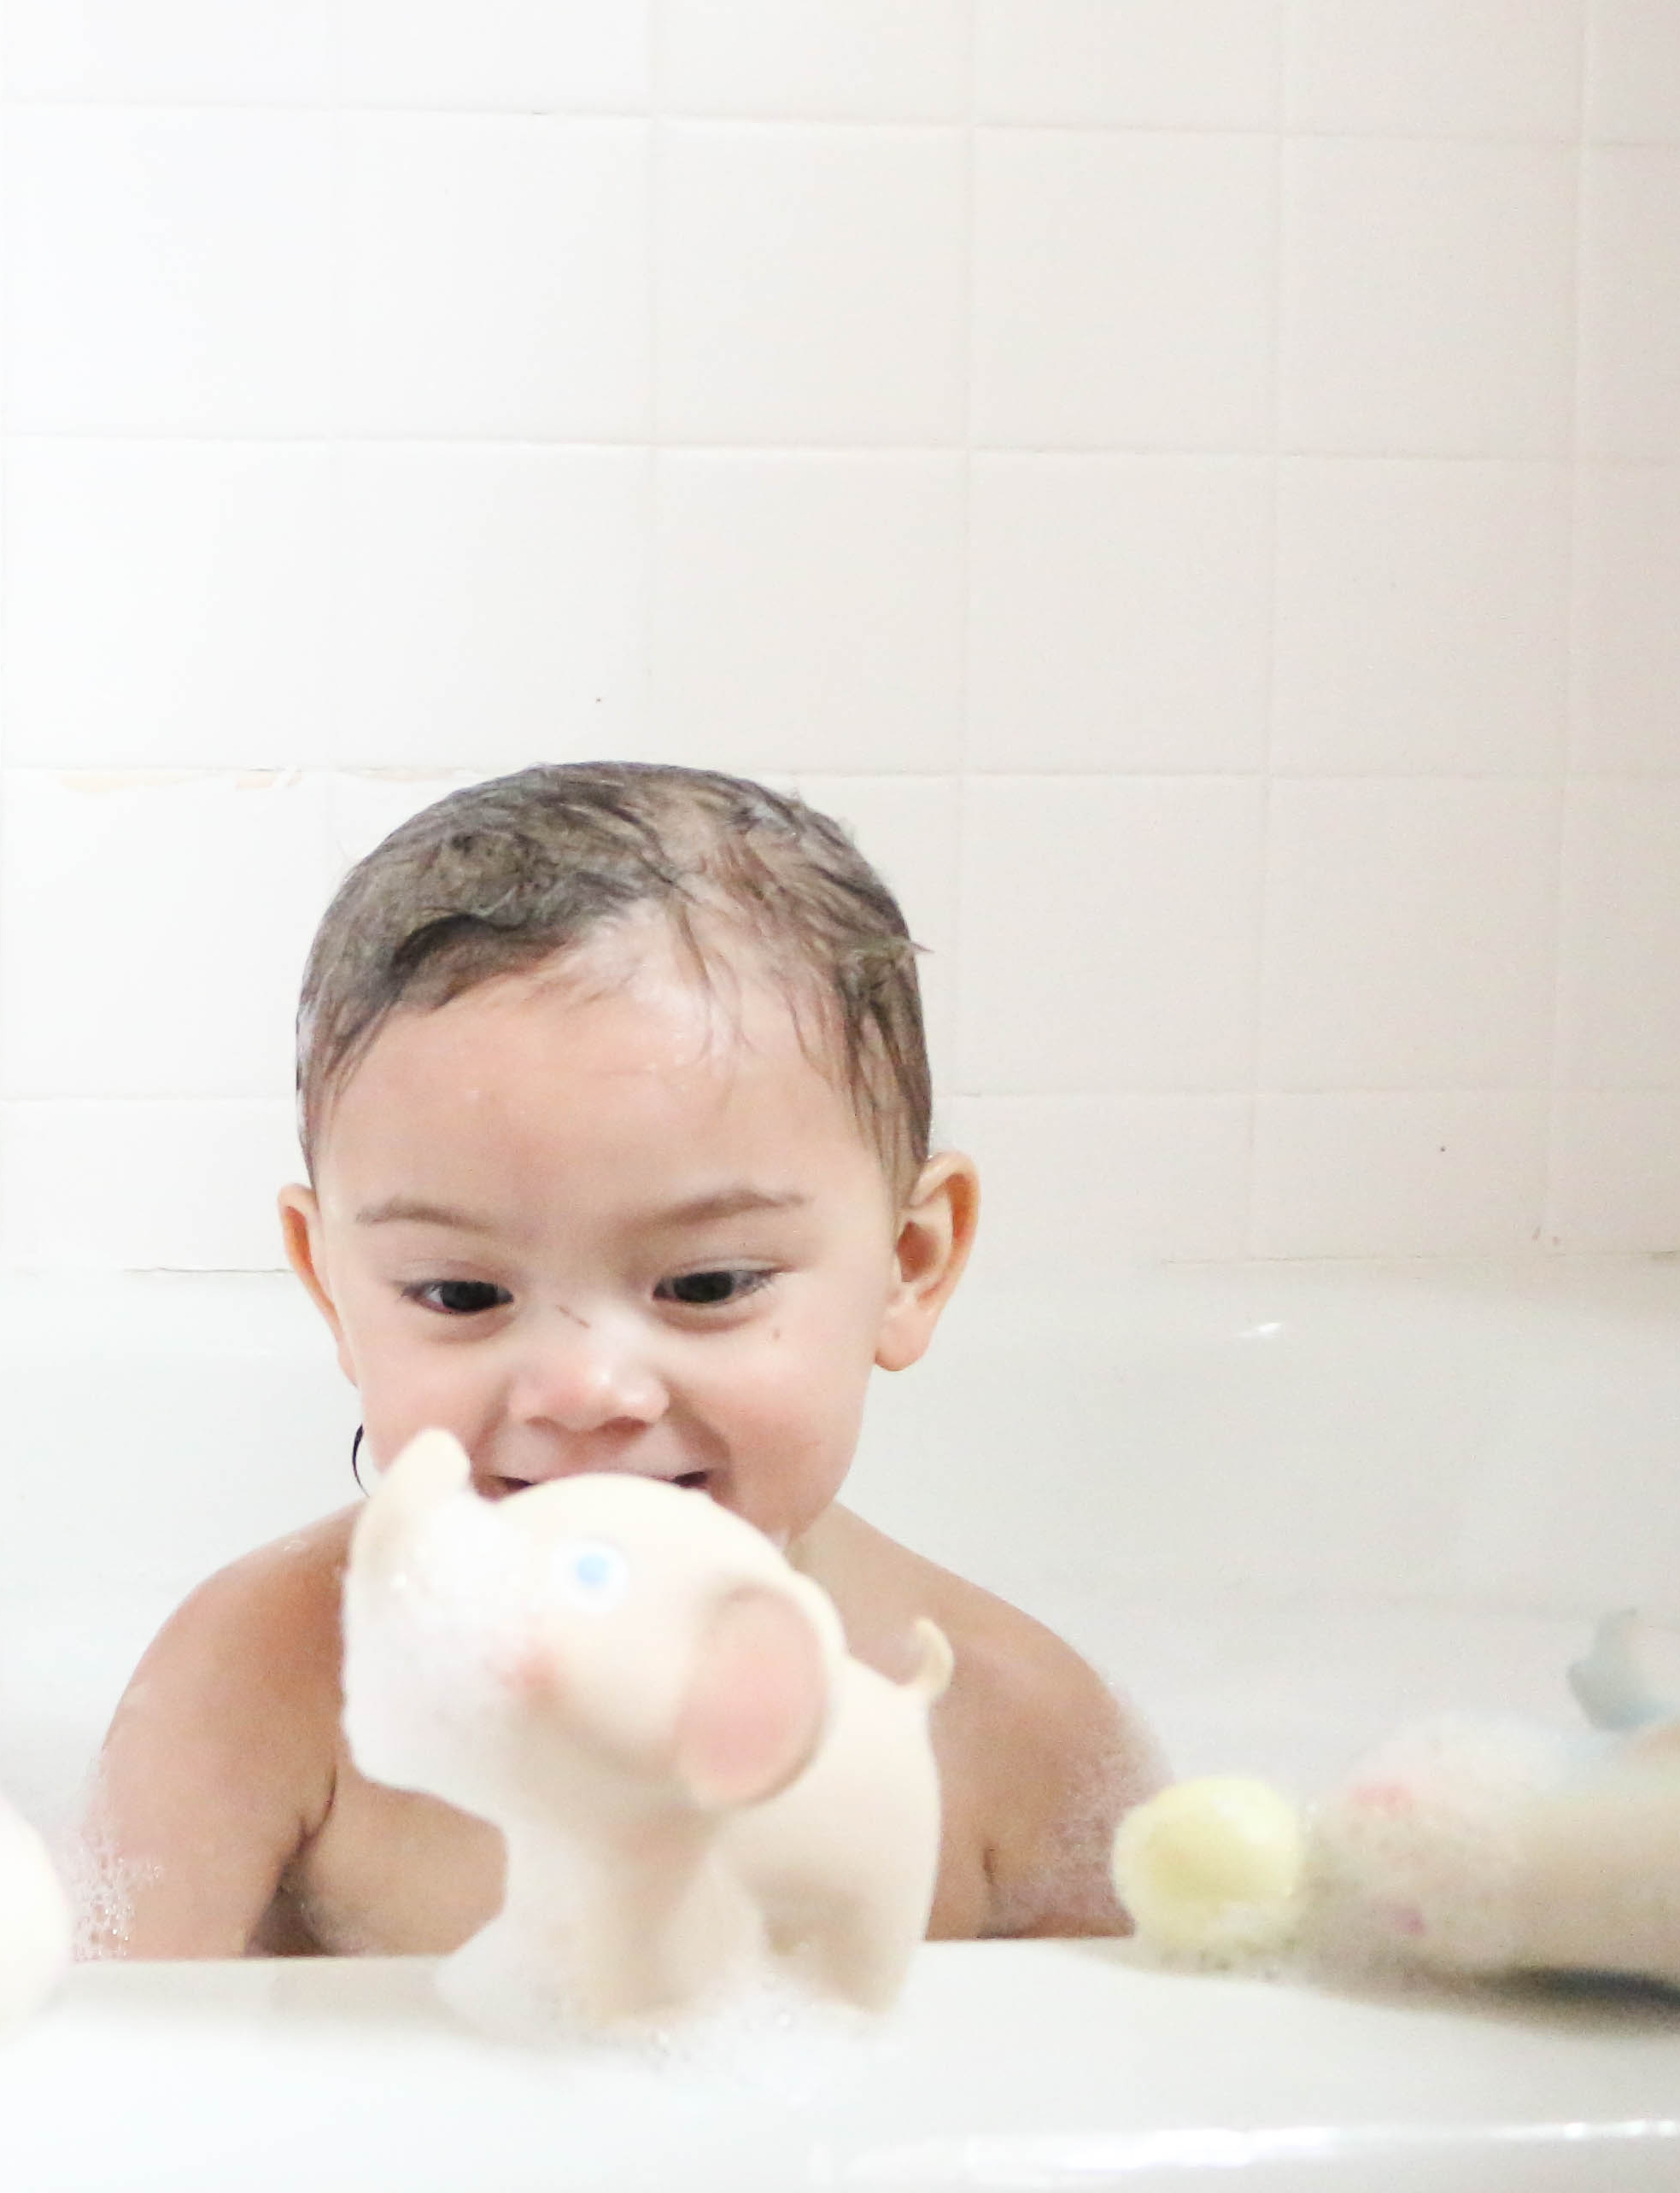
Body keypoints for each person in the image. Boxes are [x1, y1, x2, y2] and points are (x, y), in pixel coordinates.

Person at [87, 762, 1148, 1958]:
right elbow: (107, 2042)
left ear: (909, 1264)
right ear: (332, 1286)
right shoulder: (265, 1685)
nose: (584, 1392)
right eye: (462, 1294)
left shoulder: (1005, 1725)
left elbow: (1140, 2049)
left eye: (706, 1286)